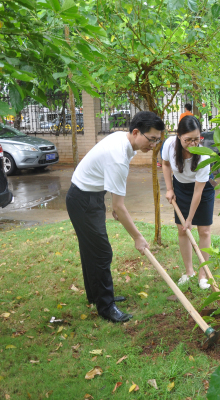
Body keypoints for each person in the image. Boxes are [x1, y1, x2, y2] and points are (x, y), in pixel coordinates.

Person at [66, 111, 164, 323]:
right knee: (101, 253)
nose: (154, 145)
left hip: (90, 195)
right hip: (83, 200)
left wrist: (112, 204)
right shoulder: (118, 156)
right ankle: (106, 306)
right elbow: (120, 207)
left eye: (158, 140)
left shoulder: (124, 139)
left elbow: (114, 196)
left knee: (91, 250)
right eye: (152, 139)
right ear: (136, 132)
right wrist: (138, 237)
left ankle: (96, 296)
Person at [162, 115, 215, 289]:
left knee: (204, 231)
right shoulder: (170, 145)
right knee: (182, 231)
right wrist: (169, 189)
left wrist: (190, 218)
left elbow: (198, 191)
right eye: (188, 139)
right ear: (178, 135)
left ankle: (203, 275)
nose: (193, 143)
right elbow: (165, 164)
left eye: (196, 139)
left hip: (202, 189)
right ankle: (189, 271)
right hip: (181, 188)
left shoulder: (203, 156)